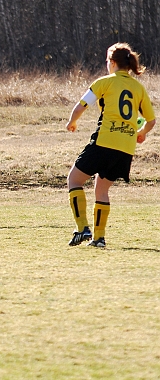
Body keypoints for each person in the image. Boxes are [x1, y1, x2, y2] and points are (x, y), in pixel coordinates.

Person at [65, 43, 155, 247]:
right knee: (102, 190)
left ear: (112, 63)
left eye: (107, 61)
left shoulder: (104, 82)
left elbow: (81, 105)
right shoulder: (138, 88)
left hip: (104, 141)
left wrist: (72, 122)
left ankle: (82, 228)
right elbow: (151, 121)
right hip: (125, 148)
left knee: (74, 180)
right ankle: (99, 238)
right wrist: (140, 134)